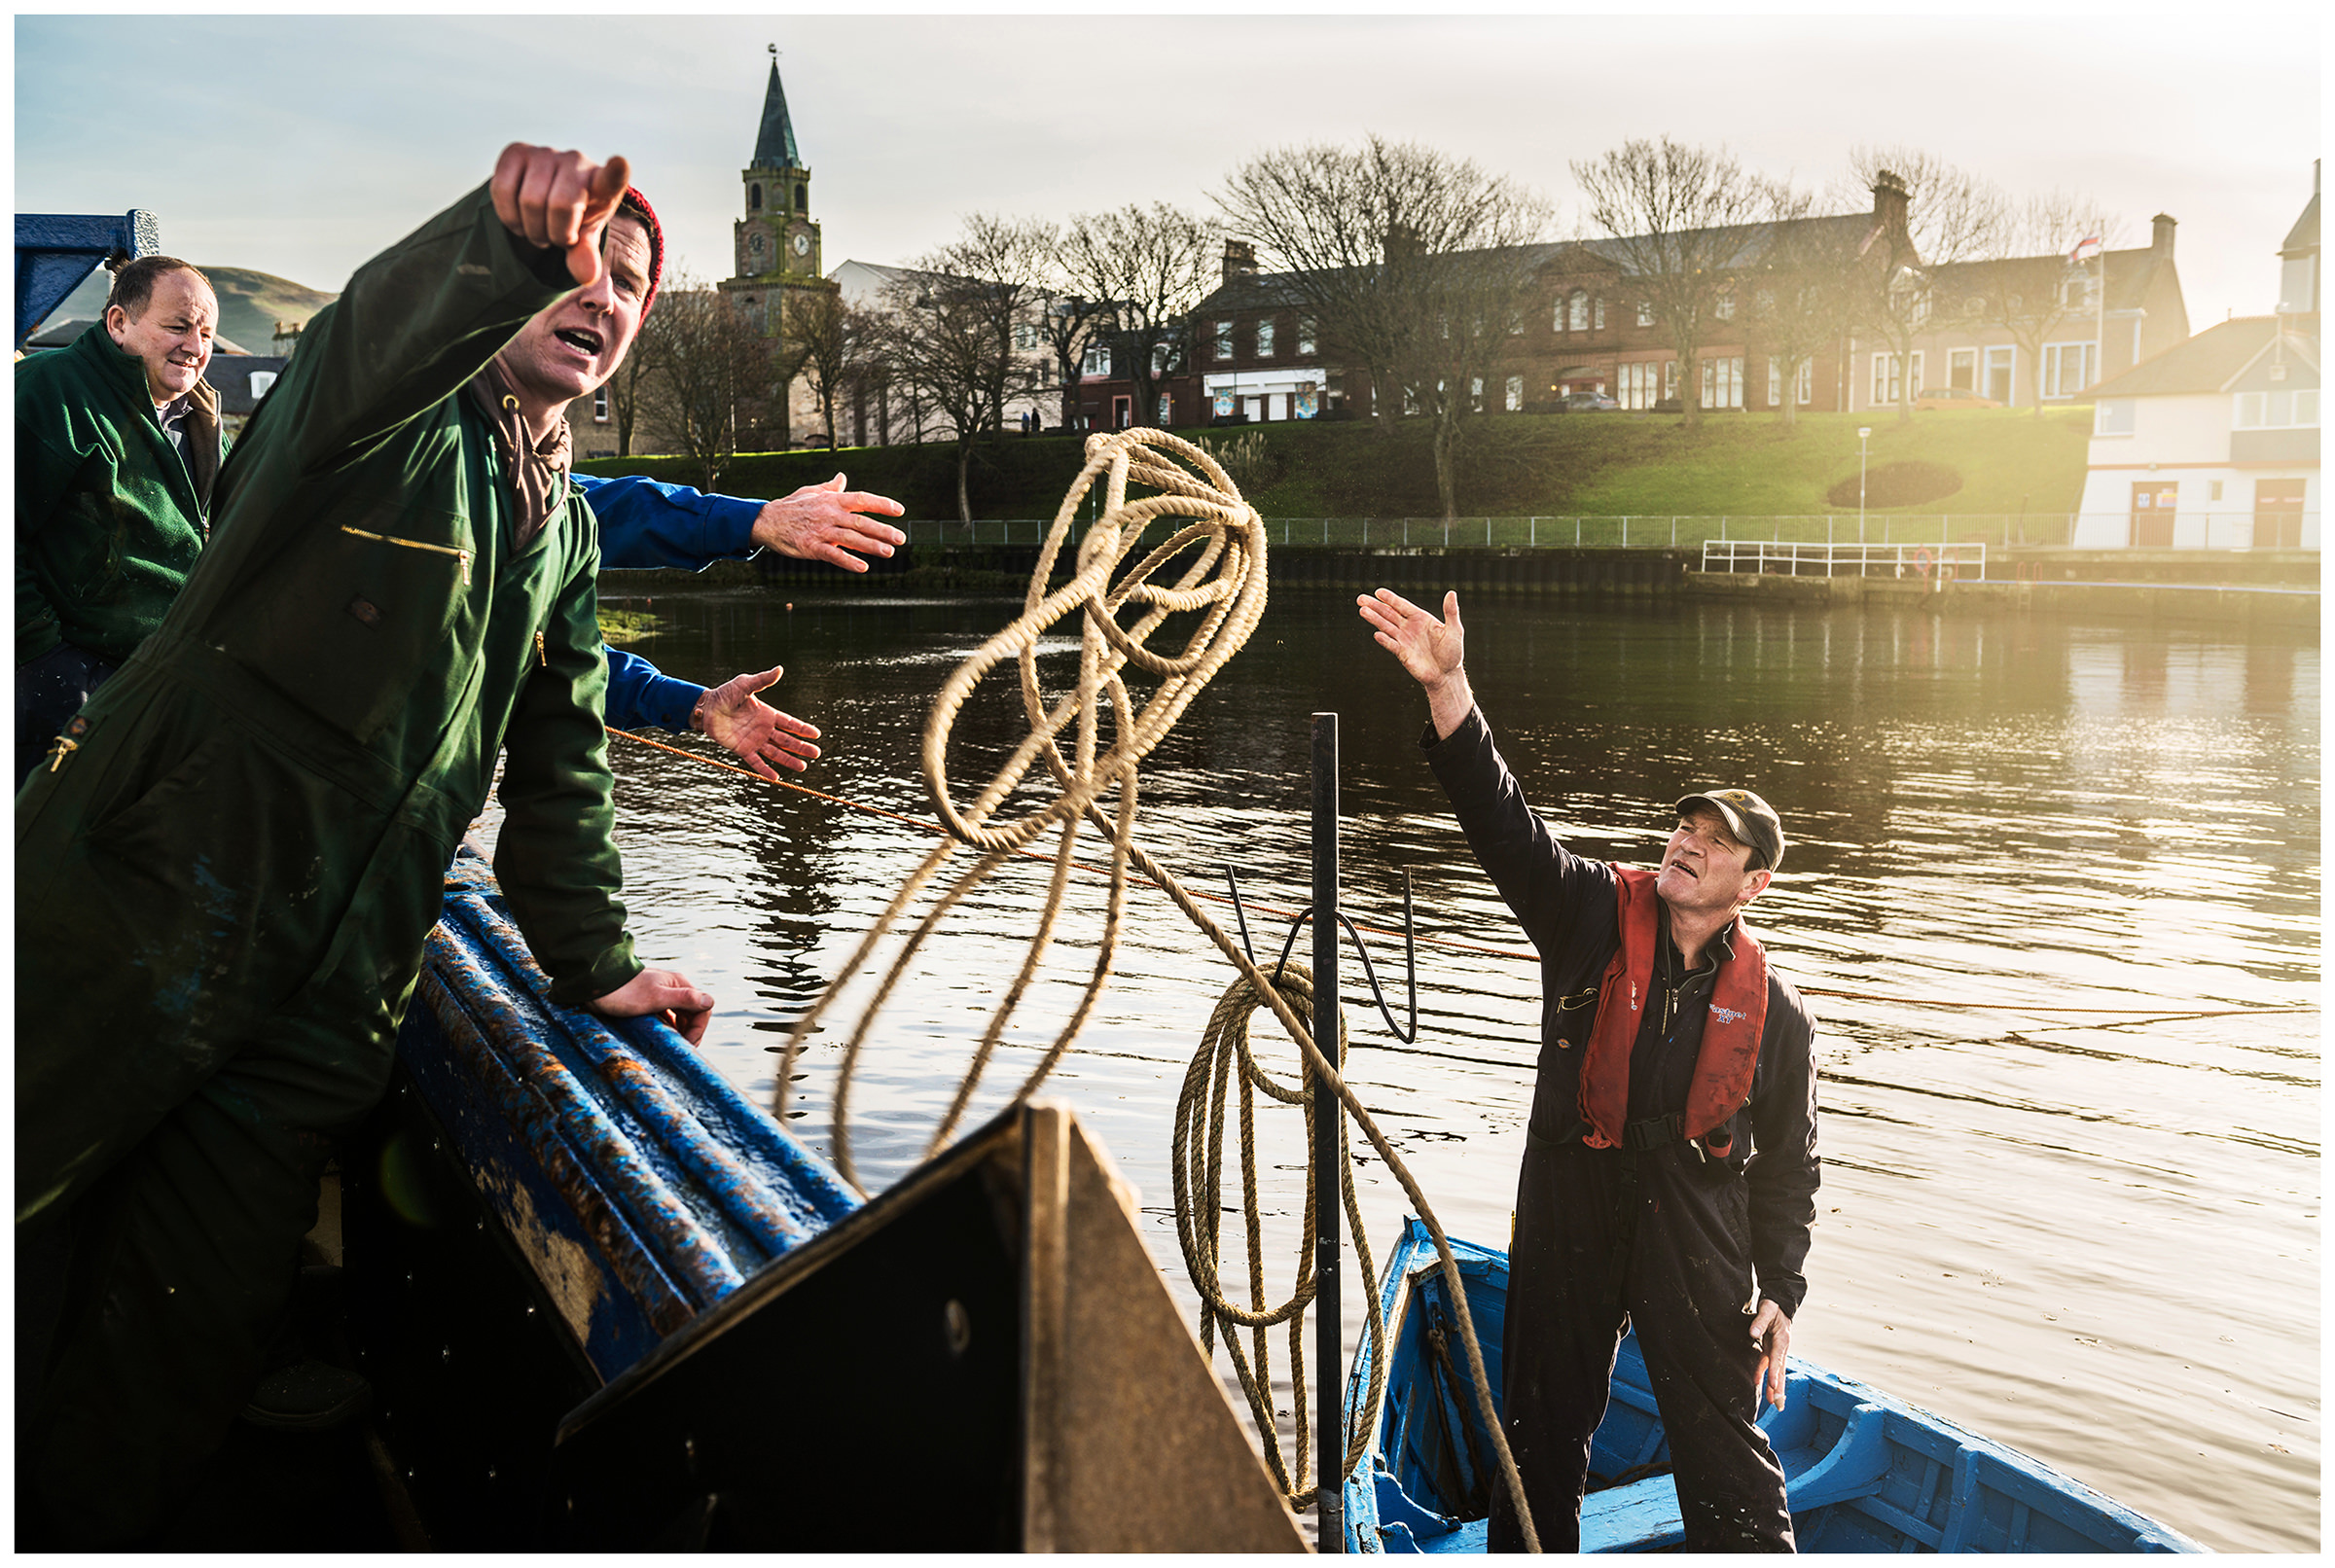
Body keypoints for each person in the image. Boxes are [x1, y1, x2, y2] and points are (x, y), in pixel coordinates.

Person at [15, 143, 711, 1545]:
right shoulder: (371, 421)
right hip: (134, 907)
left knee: (186, 1337)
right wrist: (501, 242)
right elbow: (368, 333)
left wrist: (595, 964)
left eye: (630, 286)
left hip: (328, 996)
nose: (603, 296)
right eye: (578, 269)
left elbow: (565, 758)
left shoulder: (561, 531)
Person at [1355, 587, 1819, 1553]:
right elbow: (1502, 823)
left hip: (1696, 1228)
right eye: (1688, 827)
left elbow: (1788, 1166)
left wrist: (1781, 1285)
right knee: (1538, 1434)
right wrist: (1451, 687)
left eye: (1719, 842)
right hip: (1572, 1198)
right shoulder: (1587, 913)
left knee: (1723, 1441)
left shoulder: (1776, 1011)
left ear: (1754, 882)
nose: (1691, 843)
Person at [15, 256, 222, 784]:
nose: (196, 348)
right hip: (60, 690)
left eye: (206, 333)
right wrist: (44, 661)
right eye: (177, 327)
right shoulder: (46, 391)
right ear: (118, 323)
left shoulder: (199, 420)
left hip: (154, 683)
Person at [581, 469, 904, 779]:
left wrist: (695, 705)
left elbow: (561, 669)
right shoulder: (538, 492)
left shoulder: (552, 492)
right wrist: (759, 519)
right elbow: (611, 511)